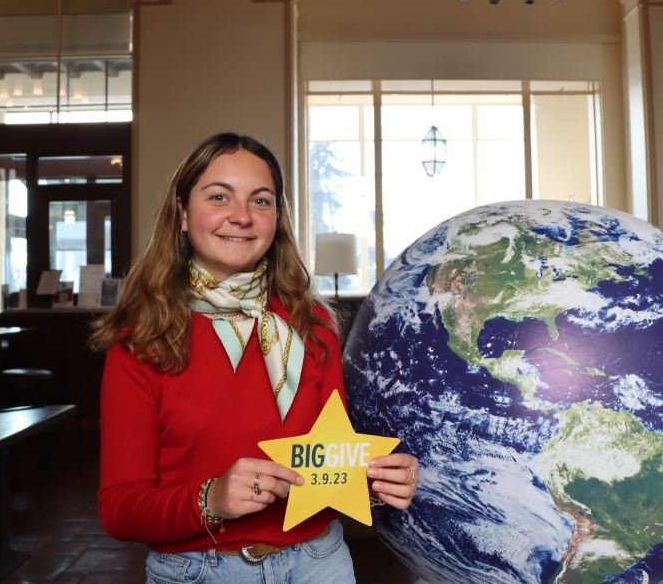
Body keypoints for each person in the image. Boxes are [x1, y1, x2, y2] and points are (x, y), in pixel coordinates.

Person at [92, 133, 419, 583]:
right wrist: (210, 499)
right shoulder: (140, 340)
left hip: (321, 565)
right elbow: (119, 509)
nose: (242, 216)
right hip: (199, 572)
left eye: (260, 201)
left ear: (277, 218)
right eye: (219, 196)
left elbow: (333, 467)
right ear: (183, 214)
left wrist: (380, 482)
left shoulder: (315, 325)